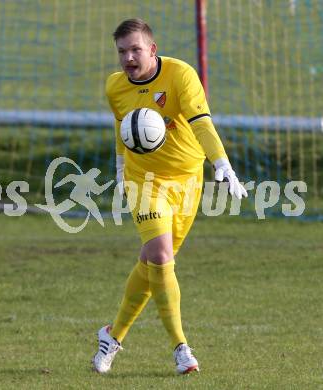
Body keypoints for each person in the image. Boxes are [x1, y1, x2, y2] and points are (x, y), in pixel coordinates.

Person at [92, 18, 247, 375]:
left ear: (152, 50)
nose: (128, 58)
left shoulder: (180, 76)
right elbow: (122, 128)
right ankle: (181, 349)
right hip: (142, 180)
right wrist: (119, 170)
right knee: (161, 256)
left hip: (187, 180)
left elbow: (201, 122)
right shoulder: (115, 87)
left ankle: (111, 335)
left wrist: (221, 163)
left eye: (135, 49)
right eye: (122, 51)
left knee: (153, 263)